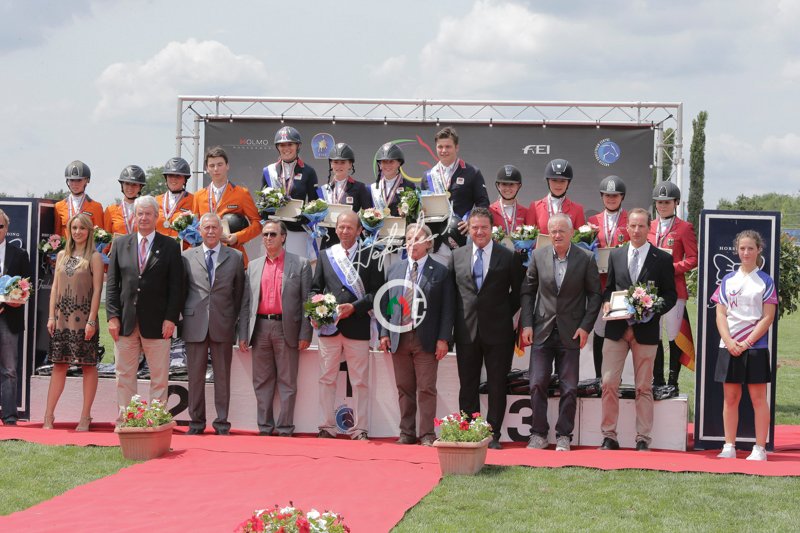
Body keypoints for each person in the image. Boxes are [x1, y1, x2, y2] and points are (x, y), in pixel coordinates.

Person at [520, 213, 601, 451]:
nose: (557, 235)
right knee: (537, 383)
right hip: (542, 330)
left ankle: (564, 435)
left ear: (571, 233)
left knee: (569, 387)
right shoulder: (538, 256)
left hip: (571, 332)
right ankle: (538, 434)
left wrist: (585, 326)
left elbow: (595, 295)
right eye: (553, 231)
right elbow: (527, 291)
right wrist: (527, 324)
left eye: (561, 231)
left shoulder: (586, 258)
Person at [599, 208, 676, 451]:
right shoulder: (616, 255)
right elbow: (609, 289)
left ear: (648, 228)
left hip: (646, 331)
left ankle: (643, 438)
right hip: (617, 330)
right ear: (626, 227)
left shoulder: (662, 258)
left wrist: (653, 308)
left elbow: (671, 295)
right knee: (608, 383)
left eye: (641, 226)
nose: (636, 230)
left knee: (644, 386)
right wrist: (607, 302)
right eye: (632, 226)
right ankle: (609, 436)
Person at [450, 207, 522, 449]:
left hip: (499, 332)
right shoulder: (457, 256)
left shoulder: (508, 256)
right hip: (466, 331)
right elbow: (452, 294)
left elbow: (518, 294)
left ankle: (493, 434)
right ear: (469, 229)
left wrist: (501, 313)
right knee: (467, 385)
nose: (479, 232)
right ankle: (470, 433)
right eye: (475, 227)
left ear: (492, 229)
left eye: (484, 227)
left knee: (497, 385)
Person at [106, 195, 184, 419]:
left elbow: (176, 287)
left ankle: (156, 420)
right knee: (124, 376)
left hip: (158, 323)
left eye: (148, 214)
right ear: (134, 216)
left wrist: (171, 318)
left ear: (156, 216)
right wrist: (112, 317)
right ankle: (128, 420)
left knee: (159, 378)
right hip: (126, 323)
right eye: (140, 213)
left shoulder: (170, 245)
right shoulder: (120, 244)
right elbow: (112, 285)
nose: (143, 218)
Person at [378, 223, 455, 446]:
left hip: (427, 339)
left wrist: (443, 339)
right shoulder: (394, 269)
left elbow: (447, 308)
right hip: (399, 337)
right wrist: (384, 333)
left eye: (418, 238)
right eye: (409, 238)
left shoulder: (440, 271)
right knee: (404, 387)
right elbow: (387, 304)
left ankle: (427, 434)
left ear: (429, 243)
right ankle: (406, 432)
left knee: (426, 388)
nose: (412, 243)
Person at [311, 211, 382, 440]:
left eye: (350, 227)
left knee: (359, 381)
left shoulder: (372, 255)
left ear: (360, 230)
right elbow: (314, 289)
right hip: (329, 328)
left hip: (358, 327)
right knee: (326, 379)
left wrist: (355, 307)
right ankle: (326, 426)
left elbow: (377, 293)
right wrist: (316, 310)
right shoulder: (325, 255)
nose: (344, 231)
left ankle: (360, 429)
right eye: (341, 227)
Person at [181, 213, 248, 435]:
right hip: (194, 323)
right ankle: (196, 423)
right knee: (195, 377)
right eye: (206, 228)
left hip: (223, 323)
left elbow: (239, 294)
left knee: (222, 376)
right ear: (199, 231)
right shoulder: (187, 256)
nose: (210, 231)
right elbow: (182, 292)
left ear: (221, 231)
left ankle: (222, 423)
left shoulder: (235, 257)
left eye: (214, 227)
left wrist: (233, 319)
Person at [713, 230, 777, 461]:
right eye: (742, 248)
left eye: (751, 248)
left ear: (759, 250)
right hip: (729, 347)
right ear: (737, 250)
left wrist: (748, 342)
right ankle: (729, 445)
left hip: (755, 348)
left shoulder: (766, 281)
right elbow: (720, 314)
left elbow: (768, 317)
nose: (746, 252)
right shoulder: (727, 280)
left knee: (758, 399)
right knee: (730, 398)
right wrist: (730, 342)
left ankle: (759, 448)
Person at [247, 220, 313, 436]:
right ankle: (265, 427)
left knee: (287, 381)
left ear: (283, 237)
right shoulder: (253, 266)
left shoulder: (301, 264)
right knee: (261, 381)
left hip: (287, 328)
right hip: (260, 328)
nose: (268, 238)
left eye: (273, 234)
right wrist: (243, 334)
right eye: (265, 234)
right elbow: (246, 303)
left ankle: (285, 428)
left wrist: (306, 333)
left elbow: (307, 302)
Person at [43, 214, 103, 431]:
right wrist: (51, 316)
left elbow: (98, 290)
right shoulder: (61, 255)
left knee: (88, 365)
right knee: (59, 365)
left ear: (89, 231)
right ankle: (48, 416)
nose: (77, 232)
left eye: (82, 228)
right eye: (74, 227)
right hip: (61, 319)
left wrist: (92, 320)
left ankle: (85, 416)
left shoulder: (94, 257)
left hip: (84, 319)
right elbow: (54, 288)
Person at [648, 181, 698, 393]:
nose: (662, 206)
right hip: (651, 291)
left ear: (676, 203)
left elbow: (693, 258)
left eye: (667, 202)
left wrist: (670, 268)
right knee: (655, 335)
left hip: (675, 290)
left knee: (674, 336)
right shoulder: (649, 226)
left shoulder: (684, 228)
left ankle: (673, 382)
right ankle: (658, 380)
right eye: (659, 202)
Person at [422, 126, 489, 265]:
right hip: (436, 242)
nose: (443, 150)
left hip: (461, 238)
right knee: (437, 278)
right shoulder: (428, 176)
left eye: (448, 146)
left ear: (456, 147)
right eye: (440, 147)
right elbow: (423, 209)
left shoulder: (472, 172)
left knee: (462, 278)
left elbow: (483, 203)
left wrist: (471, 221)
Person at [588, 176, 630, 377]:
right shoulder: (593, 221)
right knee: (599, 330)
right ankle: (599, 377)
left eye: (615, 195)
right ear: (601, 197)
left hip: (621, 285)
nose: (611, 199)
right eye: (607, 195)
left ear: (622, 197)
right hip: (599, 283)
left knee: (618, 331)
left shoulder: (630, 220)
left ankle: (616, 378)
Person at [192, 146, 261, 265]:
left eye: (220, 164)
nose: (216, 169)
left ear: (227, 166)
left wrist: (237, 237)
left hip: (233, 255)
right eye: (212, 165)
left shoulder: (241, 193)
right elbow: (194, 226)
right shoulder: (198, 196)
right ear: (207, 168)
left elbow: (258, 224)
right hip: (206, 257)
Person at [262, 126, 319, 256]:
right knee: (274, 265)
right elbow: (262, 203)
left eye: (290, 144)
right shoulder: (269, 171)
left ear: (298, 146)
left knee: (297, 267)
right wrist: (267, 215)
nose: (286, 148)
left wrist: (304, 217)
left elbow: (314, 203)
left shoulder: (308, 171)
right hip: (275, 231)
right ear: (277, 147)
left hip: (298, 231)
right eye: (282, 145)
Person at [0, 209, 31, 426]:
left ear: (7, 228)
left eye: (0, 226)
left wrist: (17, 299)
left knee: (9, 369)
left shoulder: (19, 255)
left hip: (9, 318)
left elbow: (26, 287)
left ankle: (9, 415)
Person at [317, 143, 370, 249]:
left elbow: (368, 215)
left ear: (350, 164)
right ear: (331, 164)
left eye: (343, 162)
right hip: (329, 240)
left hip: (351, 240)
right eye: (336, 162)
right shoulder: (323, 189)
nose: (339, 166)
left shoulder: (360, 187)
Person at [525, 158, 585, 232]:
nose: (558, 185)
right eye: (554, 180)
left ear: (568, 183)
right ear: (548, 181)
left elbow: (580, 238)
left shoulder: (577, 210)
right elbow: (529, 236)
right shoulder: (535, 207)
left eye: (563, 181)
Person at [54, 160, 104, 237]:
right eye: (72, 180)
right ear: (67, 181)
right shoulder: (59, 206)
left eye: (79, 180)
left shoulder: (96, 207)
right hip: (66, 245)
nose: (75, 184)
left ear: (87, 180)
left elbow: (99, 236)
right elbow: (57, 235)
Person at [156, 157, 195, 243]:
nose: (173, 179)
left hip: (183, 249)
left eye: (178, 176)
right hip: (158, 248)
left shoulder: (194, 200)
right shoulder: (155, 201)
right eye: (170, 175)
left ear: (185, 179)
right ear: (166, 178)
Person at [370, 142, 416, 217]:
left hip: (400, 224)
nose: (388, 165)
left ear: (399, 163)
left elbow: (414, 214)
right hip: (381, 225)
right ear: (380, 165)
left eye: (391, 161)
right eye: (384, 161)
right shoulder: (373, 188)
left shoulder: (409, 186)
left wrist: (406, 213)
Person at [104, 166, 146, 236]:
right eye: (127, 183)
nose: (130, 188)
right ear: (122, 185)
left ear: (140, 187)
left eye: (134, 184)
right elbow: (106, 238)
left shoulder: (146, 209)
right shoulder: (110, 210)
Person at [489, 165, 528, 238]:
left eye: (511, 184)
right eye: (504, 184)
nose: (507, 188)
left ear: (518, 186)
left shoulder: (526, 212)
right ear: (498, 185)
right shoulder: (489, 211)